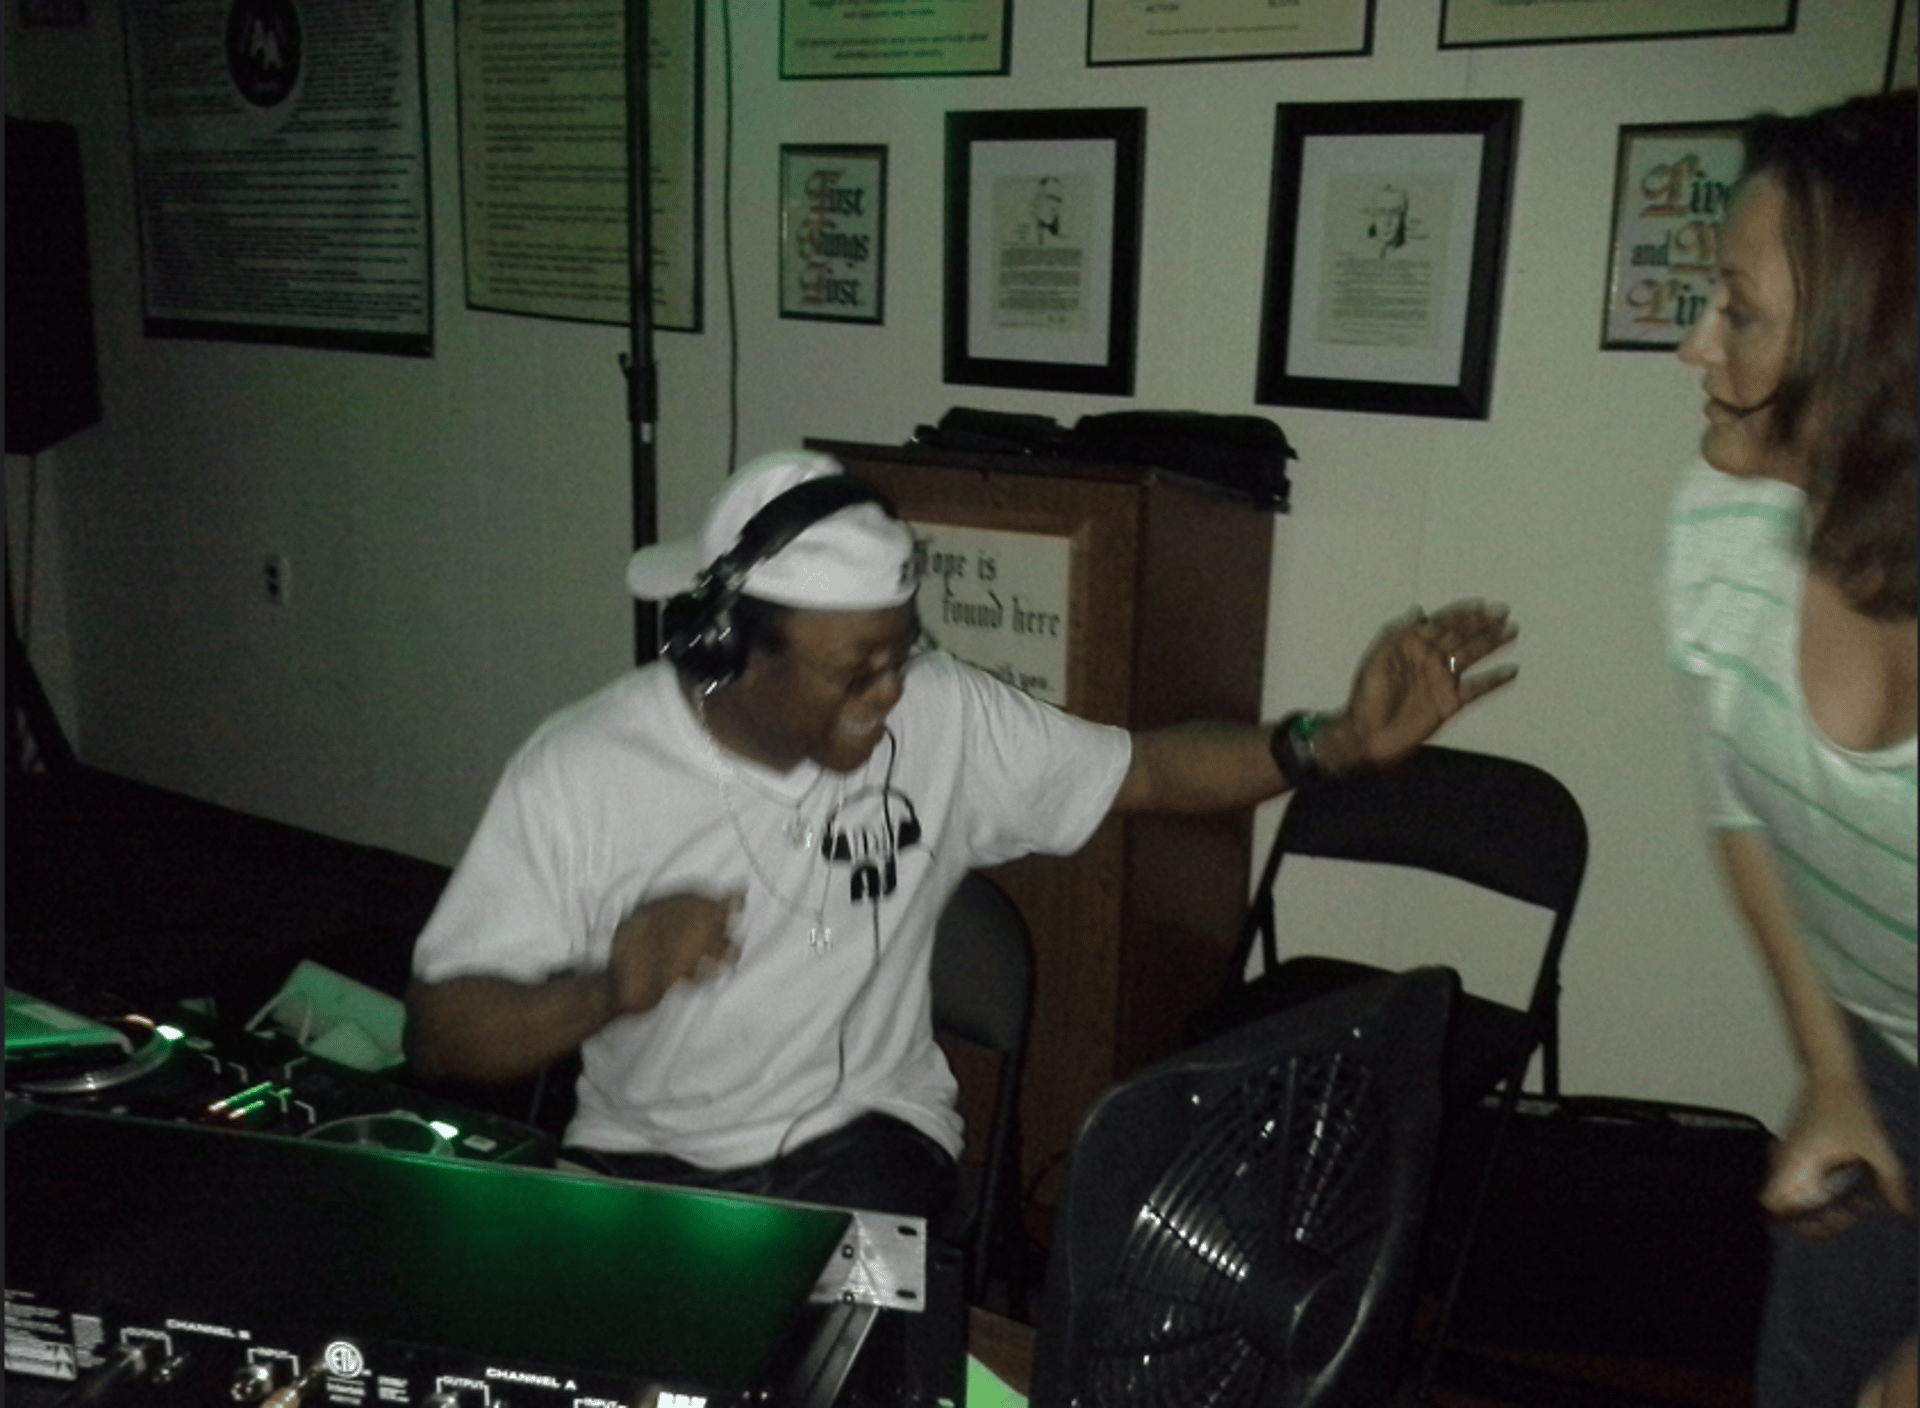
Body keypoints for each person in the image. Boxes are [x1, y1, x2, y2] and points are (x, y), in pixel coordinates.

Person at [406, 448, 1519, 1221]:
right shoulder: (583, 769)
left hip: (863, 1140)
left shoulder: (939, 710)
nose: (893, 693)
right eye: (855, 670)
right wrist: (607, 985)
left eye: (902, 651)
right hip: (640, 1158)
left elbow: (1147, 770)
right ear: (725, 648)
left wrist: (1331, 744)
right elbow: (442, 1034)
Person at [1665, 88, 1916, 1408]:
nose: (1696, 346)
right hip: (1882, 1046)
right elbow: (1738, 792)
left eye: (1742, 312)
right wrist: (1828, 1069)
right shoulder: (1721, 517)